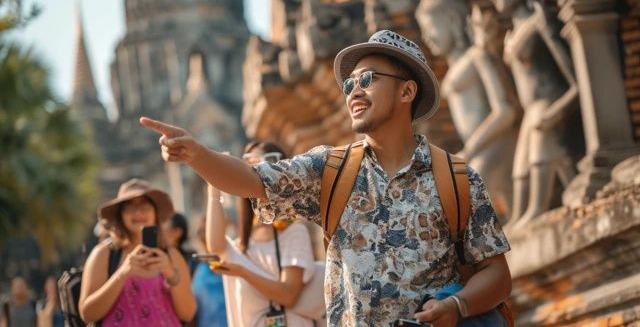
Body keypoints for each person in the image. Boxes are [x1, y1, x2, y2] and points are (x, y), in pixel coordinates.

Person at [140, 29, 512, 326]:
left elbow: (496, 274)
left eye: (367, 79)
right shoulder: (330, 170)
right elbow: (252, 180)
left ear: (406, 90)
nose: (354, 91)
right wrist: (198, 155)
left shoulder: (456, 178)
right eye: (349, 83)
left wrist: (458, 307)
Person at [205, 141, 317, 326]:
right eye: (248, 164)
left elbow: (288, 295)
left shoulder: (293, 231)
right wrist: (214, 183)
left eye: (263, 164)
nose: (255, 171)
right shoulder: (242, 243)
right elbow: (215, 245)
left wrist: (242, 272)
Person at [78, 178, 197, 326]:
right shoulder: (104, 254)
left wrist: (170, 273)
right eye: (129, 206)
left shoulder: (172, 256)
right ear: (120, 216)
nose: (138, 212)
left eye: (144, 204)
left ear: (155, 212)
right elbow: (87, 313)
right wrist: (123, 273)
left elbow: (188, 314)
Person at [190, 217, 228, 327]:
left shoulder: (232, 260)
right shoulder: (195, 264)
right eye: (200, 231)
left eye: (205, 230)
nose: (203, 235)